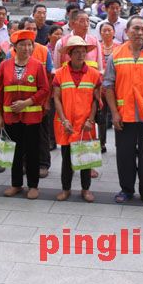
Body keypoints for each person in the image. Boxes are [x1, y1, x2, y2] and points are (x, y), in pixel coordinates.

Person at [104, 16, 143, 206]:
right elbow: (108, 86)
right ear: (127, 31)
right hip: (124, 115)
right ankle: (126, 189)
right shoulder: (116, 55)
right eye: (136, 29)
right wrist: (114, 113)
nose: (139, 32)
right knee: (125, 155)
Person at [0, 30, 50, 200]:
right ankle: (16, 184)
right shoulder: (5, 65)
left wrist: (27, 103)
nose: (26, 48)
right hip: (11, 117)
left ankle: (33, 185)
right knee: (15, 151)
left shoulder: (38, 65)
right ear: (15, 47)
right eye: (22, 45)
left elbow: (45, 89)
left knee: (32, 151)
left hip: (32, 117)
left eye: (29, 45)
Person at [54, 36, 101, 203]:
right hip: (67, 124)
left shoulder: (94, 74)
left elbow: (96, 100)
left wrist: (91, 120)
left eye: (83, 52)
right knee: (66, 159)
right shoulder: (60, 74)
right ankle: (66, 189)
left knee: (86, 158)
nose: (81, 55)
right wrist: (63, 120)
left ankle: (85, 189)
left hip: (85, 124)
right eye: (77, 52)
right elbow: (56, 98)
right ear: (69, 54)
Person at [99, 22, 120, 153]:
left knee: (117, 114)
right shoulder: (97, 47)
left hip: (115, 87)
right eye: (104, 30)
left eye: (109, 30)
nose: (107, 33)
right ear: (100, 33)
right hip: (100, 87)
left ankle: (120, 143)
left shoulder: (119, 48)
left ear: (114, 32)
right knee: (101, 116)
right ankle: (101, 143)